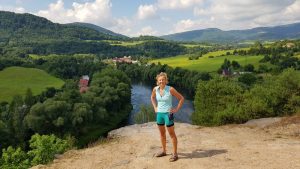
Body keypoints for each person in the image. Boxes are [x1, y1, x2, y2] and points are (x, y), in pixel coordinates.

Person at [151, 72, 184, 162]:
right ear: (157, 81)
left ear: (166, 80)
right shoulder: (155, 89)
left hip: (168, 114)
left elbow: (181, 98)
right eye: (160, 80)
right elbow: (152, 97)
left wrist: (176, 109)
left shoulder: (170, 89)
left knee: (172, 134)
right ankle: (164, 151)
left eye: (163, 80)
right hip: (159, 114)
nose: (161, 81)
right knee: (162, 134)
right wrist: (155, 107)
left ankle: (175, 154)